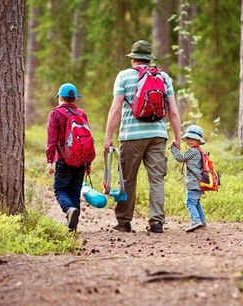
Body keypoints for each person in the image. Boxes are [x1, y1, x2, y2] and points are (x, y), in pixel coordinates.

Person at [103, 40, 182, 233]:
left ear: (133, 60)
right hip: (158, 135)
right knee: (157, 179)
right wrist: (177, 137)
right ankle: (156, 222)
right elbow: (173, 111)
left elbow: (116, 109)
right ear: (149, 59)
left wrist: (108, 137)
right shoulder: (163, 77)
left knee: (127, 179)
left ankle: (123, 222)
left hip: (131, 136)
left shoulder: (123, 76)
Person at [46, 83, 92, 231]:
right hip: (81, 160)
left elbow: (52, 140)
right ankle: (73, 228)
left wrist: (49, 161)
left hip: (63, 159)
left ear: (60, 97)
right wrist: (88, 163)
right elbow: (87, 140)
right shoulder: (81, 113)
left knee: (60, 190)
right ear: (75, 99)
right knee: (74, 192)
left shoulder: (55, 114)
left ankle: (69, 210)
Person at [170, 125, 208, 232]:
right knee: (196, 202)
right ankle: (202, 222)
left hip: (193, 182)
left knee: (190, 202)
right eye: (188, 139)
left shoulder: (193, 151)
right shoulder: (200, 151)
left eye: (193, 139)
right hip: (200, 182)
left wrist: (173, 148)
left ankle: (196, 221)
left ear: (199, 140)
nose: (190, 141)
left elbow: (180, 158)